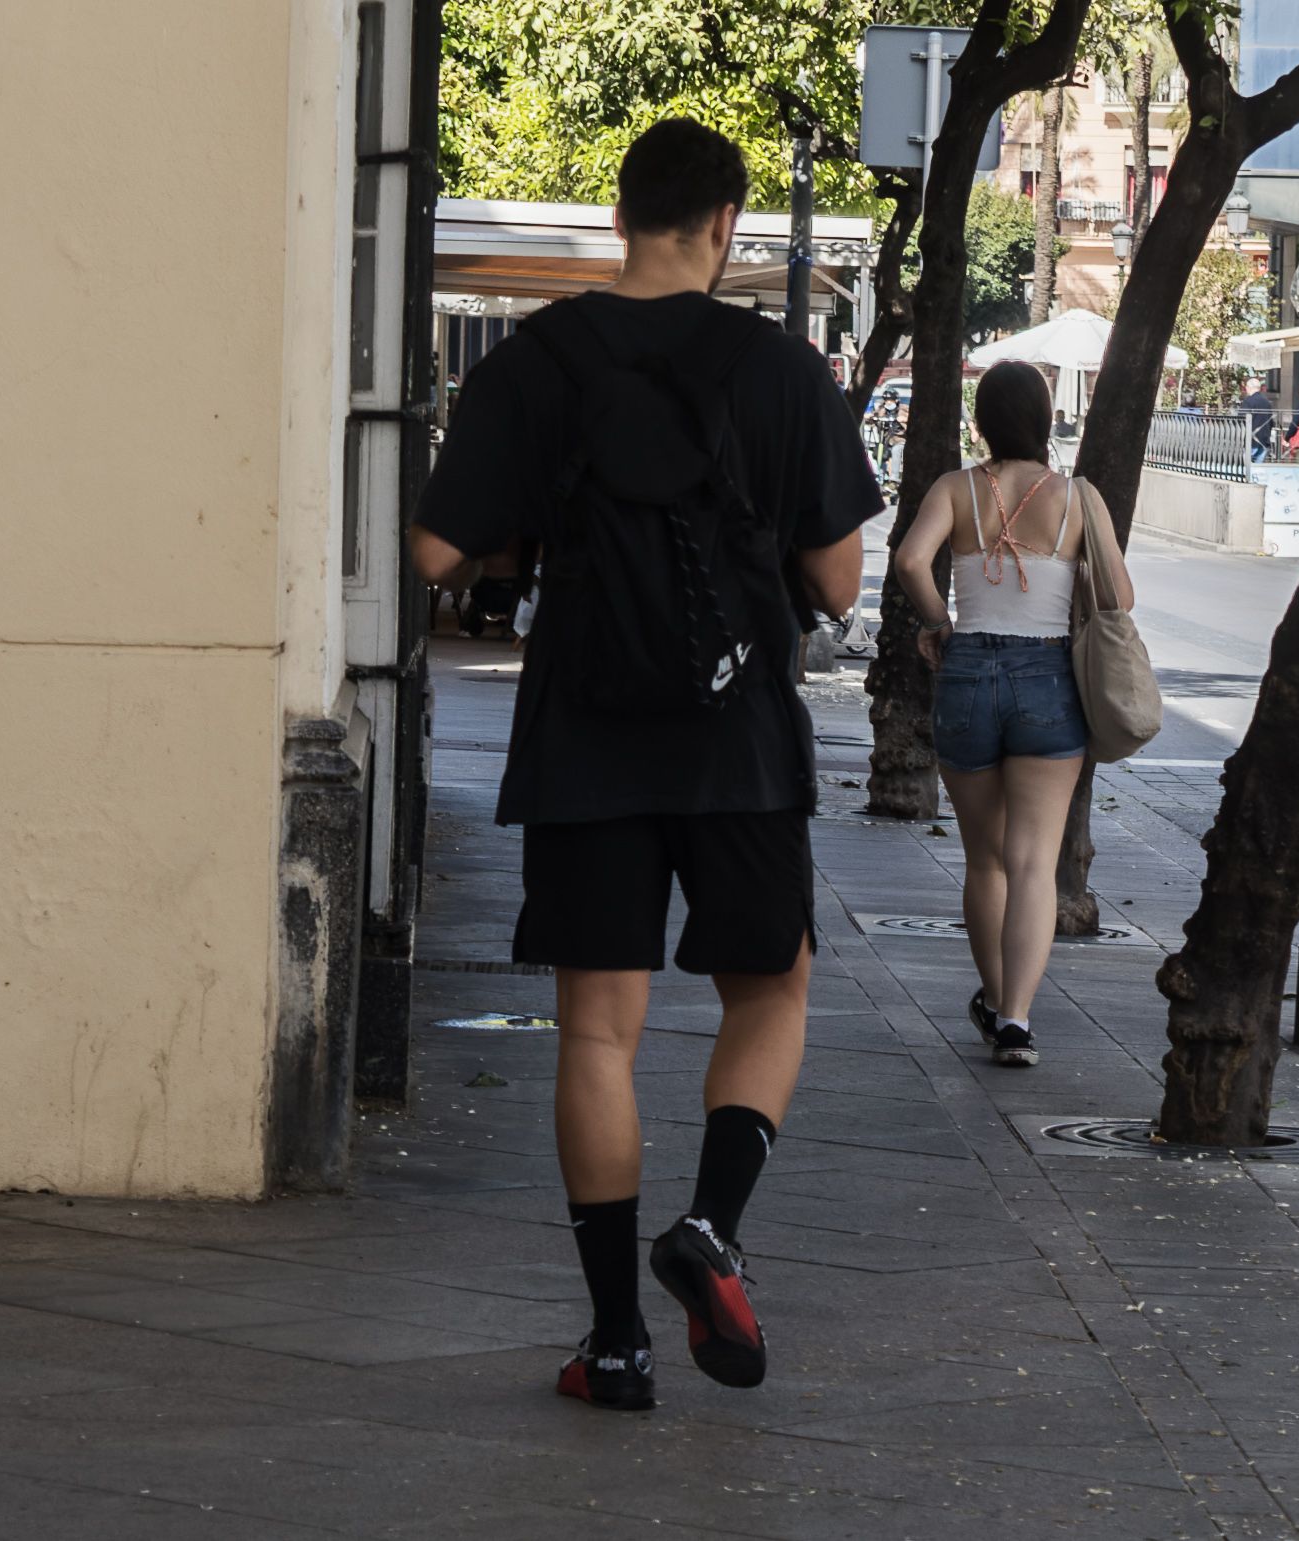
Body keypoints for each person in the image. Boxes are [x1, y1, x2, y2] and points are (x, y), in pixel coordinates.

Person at [406, 118, 877, 1413]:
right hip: (736, 737)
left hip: (586, 730)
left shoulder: (536, 362)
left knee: (597, 1032)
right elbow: (837, 579)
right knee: (768, 989)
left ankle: (612, 1342)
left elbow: (436, 557)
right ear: (723, 225)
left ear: (620, 217)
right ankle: (712, 1227)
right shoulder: (779, 371)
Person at [889, 360, 1135, 1073]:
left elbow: (910, 559)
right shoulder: (1075, 497)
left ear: (981, 421)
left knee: (984, 859)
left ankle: (995, 1002)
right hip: (1048, 678)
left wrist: (937, 620)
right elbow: (1119, 593)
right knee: (1034, 860)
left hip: (966, 673)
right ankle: (1018, 1021)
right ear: (1045, 416)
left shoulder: (956, 487)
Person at [1242, 378, 1276, 463]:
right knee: (1259, 469)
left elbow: (1242, 419)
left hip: (1251, 440)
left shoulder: (1248, 401)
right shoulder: (1266, 402)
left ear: (1249, 388)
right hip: (1264, 441)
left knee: (1247, 469)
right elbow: (1271, 421)